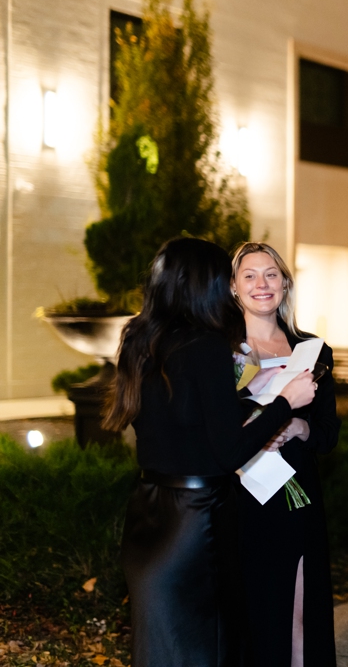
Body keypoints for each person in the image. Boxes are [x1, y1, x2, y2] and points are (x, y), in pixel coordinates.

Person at [108, 237, 316, 667]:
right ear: (205, 285)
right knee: (211, 649)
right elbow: (230, 452)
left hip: (149, 512)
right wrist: (284, 403)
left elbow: (181, 423)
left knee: (161, 649)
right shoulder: (206, 347)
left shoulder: (140, 341)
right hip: (198, 521)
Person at [231, 242, 340, 667]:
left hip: (297, 496)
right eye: (250, 275)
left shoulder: (312, 351)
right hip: (241, 499)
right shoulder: (220, 354)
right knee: (250, 616)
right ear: (234, 288)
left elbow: (329, 433)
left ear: (285, 284)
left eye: (271, 274)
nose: (262, 284)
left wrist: (298, 427)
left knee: (299, 613)